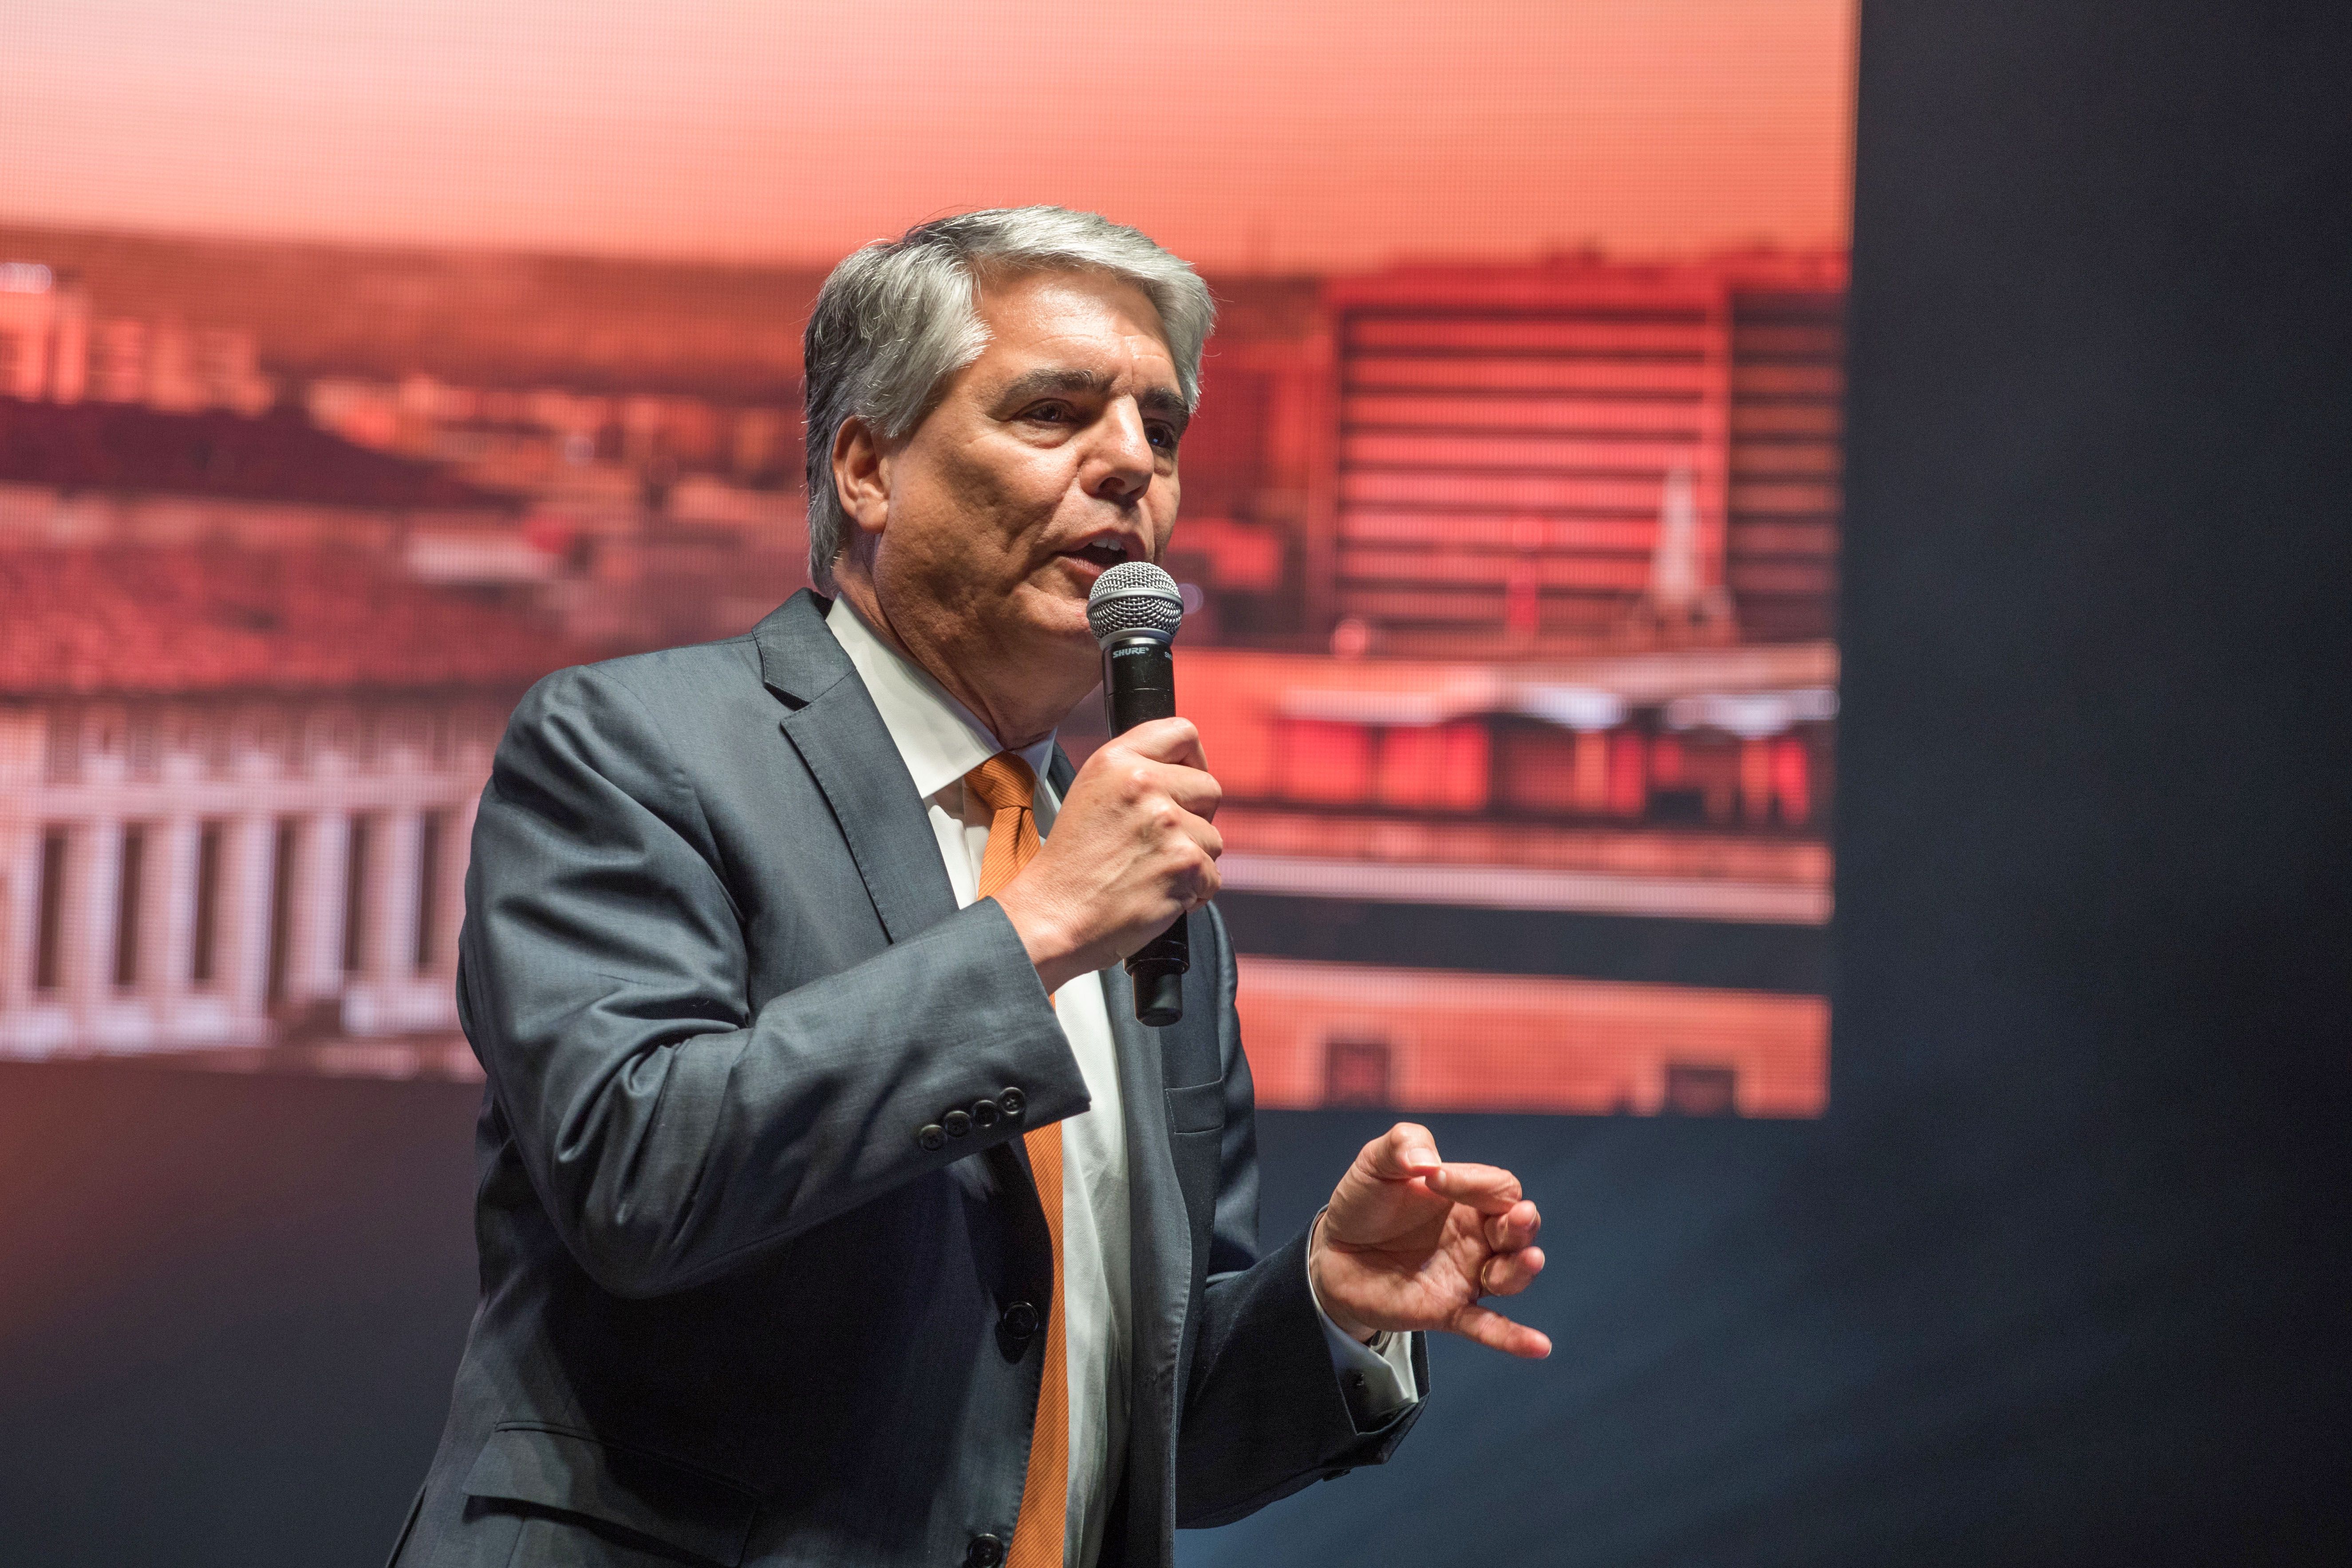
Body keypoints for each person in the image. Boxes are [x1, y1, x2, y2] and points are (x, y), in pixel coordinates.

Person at [389, 207, 1547, 1568]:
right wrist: (1042, 928)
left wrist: (1332, 1311)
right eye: (1056, 412)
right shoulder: (637, 746)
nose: (1130, 466)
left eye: (1159, 432)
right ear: (868, 469)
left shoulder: (1146, 892)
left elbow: (1108, 1427)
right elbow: (639, 1176)